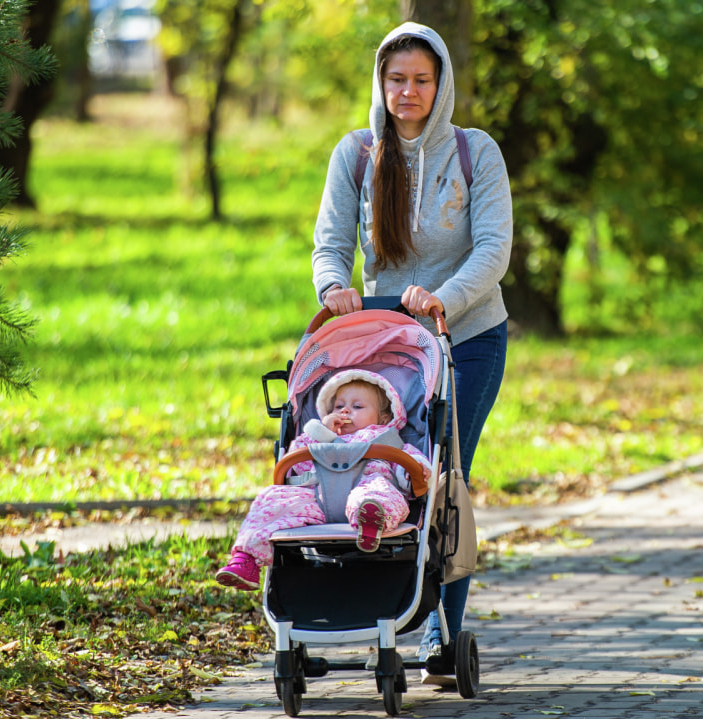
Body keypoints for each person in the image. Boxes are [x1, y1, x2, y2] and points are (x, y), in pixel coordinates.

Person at [310, 22, 511, 684]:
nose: (409, 91)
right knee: (380, 466)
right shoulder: (358, 154)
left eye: (422, 79)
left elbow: (494, 247)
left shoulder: (475, 152)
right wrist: (334, 287)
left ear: (441, 83)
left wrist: (443, 299)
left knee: (446, 477)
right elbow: (331, 242)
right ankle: (372, 609)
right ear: (381, 82)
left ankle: (437, 631)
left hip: (467, 337)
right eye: (397, 79)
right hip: (386, 342)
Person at [215, 370, 431, 590]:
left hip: (368, 484)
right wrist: (318, 433)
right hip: (318, 497)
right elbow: (295, 465)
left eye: (358, 407)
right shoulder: (320, 438)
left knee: (380, 492)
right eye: (339, 406)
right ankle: (246, 560)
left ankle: (370, 521)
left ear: (384, 418)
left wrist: (415, 472)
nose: (346, 410)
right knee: (270, 499)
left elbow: (410, 462)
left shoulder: (387, 440)